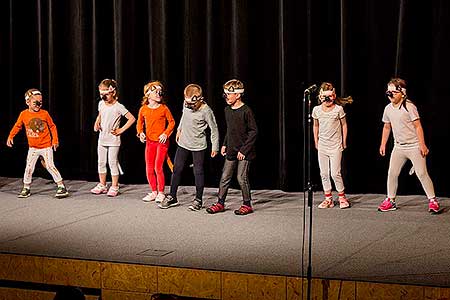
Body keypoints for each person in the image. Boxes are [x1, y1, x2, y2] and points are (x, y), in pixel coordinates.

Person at [378, 78, 439, 213]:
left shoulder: (409, 107)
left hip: (414, 146)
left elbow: (418, 126)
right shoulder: (388, 109)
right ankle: (390, 200)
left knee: (422, 173)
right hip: (398, 147)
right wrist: (383, 144)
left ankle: (433, 200)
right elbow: (387, 127)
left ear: (402, 93)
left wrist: (422, 145)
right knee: (392, 173)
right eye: (389, 92)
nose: (391, 95)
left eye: (394, 92)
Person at [159, 83, 219, 210]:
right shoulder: (186, 104)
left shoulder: (206, 111)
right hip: (183, 143)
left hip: (198, 145)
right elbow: (183, 116)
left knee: (198, 172)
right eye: (187, 104)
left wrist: (215, 147)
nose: (189, 106)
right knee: (177, 169)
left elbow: (214, 129)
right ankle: (172, 197)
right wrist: (179, 129)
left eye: (191, 104)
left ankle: (198, 200)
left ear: (199, 99)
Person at [206, 79, 257, 215]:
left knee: (241, 177)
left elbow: (253, 131)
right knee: (225, 177)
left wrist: (244, 150)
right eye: (225, 94)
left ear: (238, 95)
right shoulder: (227, 110)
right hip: (231, 149)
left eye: (229, 94)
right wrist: (224, 144)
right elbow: (230, 130)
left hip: (244, 152)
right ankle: (220, 202)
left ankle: (247, 204)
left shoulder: (246, 111)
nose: (226, 97)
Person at [6, 88, 69, 198]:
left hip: (46, 146)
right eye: (35, 102)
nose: (38, 104)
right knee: (29, 167)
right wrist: (11, 136)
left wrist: (55, 140)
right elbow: (17, 126)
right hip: (33, 148)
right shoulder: (23, 114)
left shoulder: (44, 113)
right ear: (28, 102)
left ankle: (61, 186)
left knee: (49, 166)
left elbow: (52, 126)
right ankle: (26, 187)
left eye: (40, 102)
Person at [90, 79, 136, 197]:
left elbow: (132, 118)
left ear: (113, 92)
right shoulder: (101, 104)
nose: (103, 97)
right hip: (102, 139)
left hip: (113, 140)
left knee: (112, 162)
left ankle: (115, 185)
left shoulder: (118, 107)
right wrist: (97, 122)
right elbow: (100, 114)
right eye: (101, 94)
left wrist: (121, 130)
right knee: (101, 162)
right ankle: (102, 184)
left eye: (106, 94)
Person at [312, 82, 350, 209]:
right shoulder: (316, 110)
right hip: (323, 145)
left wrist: (344, 141)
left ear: (334, 96)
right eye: (325, 97)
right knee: (324, 173)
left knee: (335, 173)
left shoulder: (338, 109)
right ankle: (328, 198)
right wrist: (316, 141)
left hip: (335, 146)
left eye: (330, 96)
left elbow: (344, 125)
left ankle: (342, 196)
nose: (327, 100)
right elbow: (315, 125)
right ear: (320, 97)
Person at [137, 80, 175, 203]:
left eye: (160, 91)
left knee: (158, 167)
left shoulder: (164, 108)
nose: (159, 93)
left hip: (161, 142)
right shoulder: (143, 109)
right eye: (155, 91)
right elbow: (139, 123)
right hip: (150, 142)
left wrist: (165, 133)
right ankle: (154, 191)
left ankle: (161, 192)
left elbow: (172, 122)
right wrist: (140, 133)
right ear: (147, 94)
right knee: (149, 168)